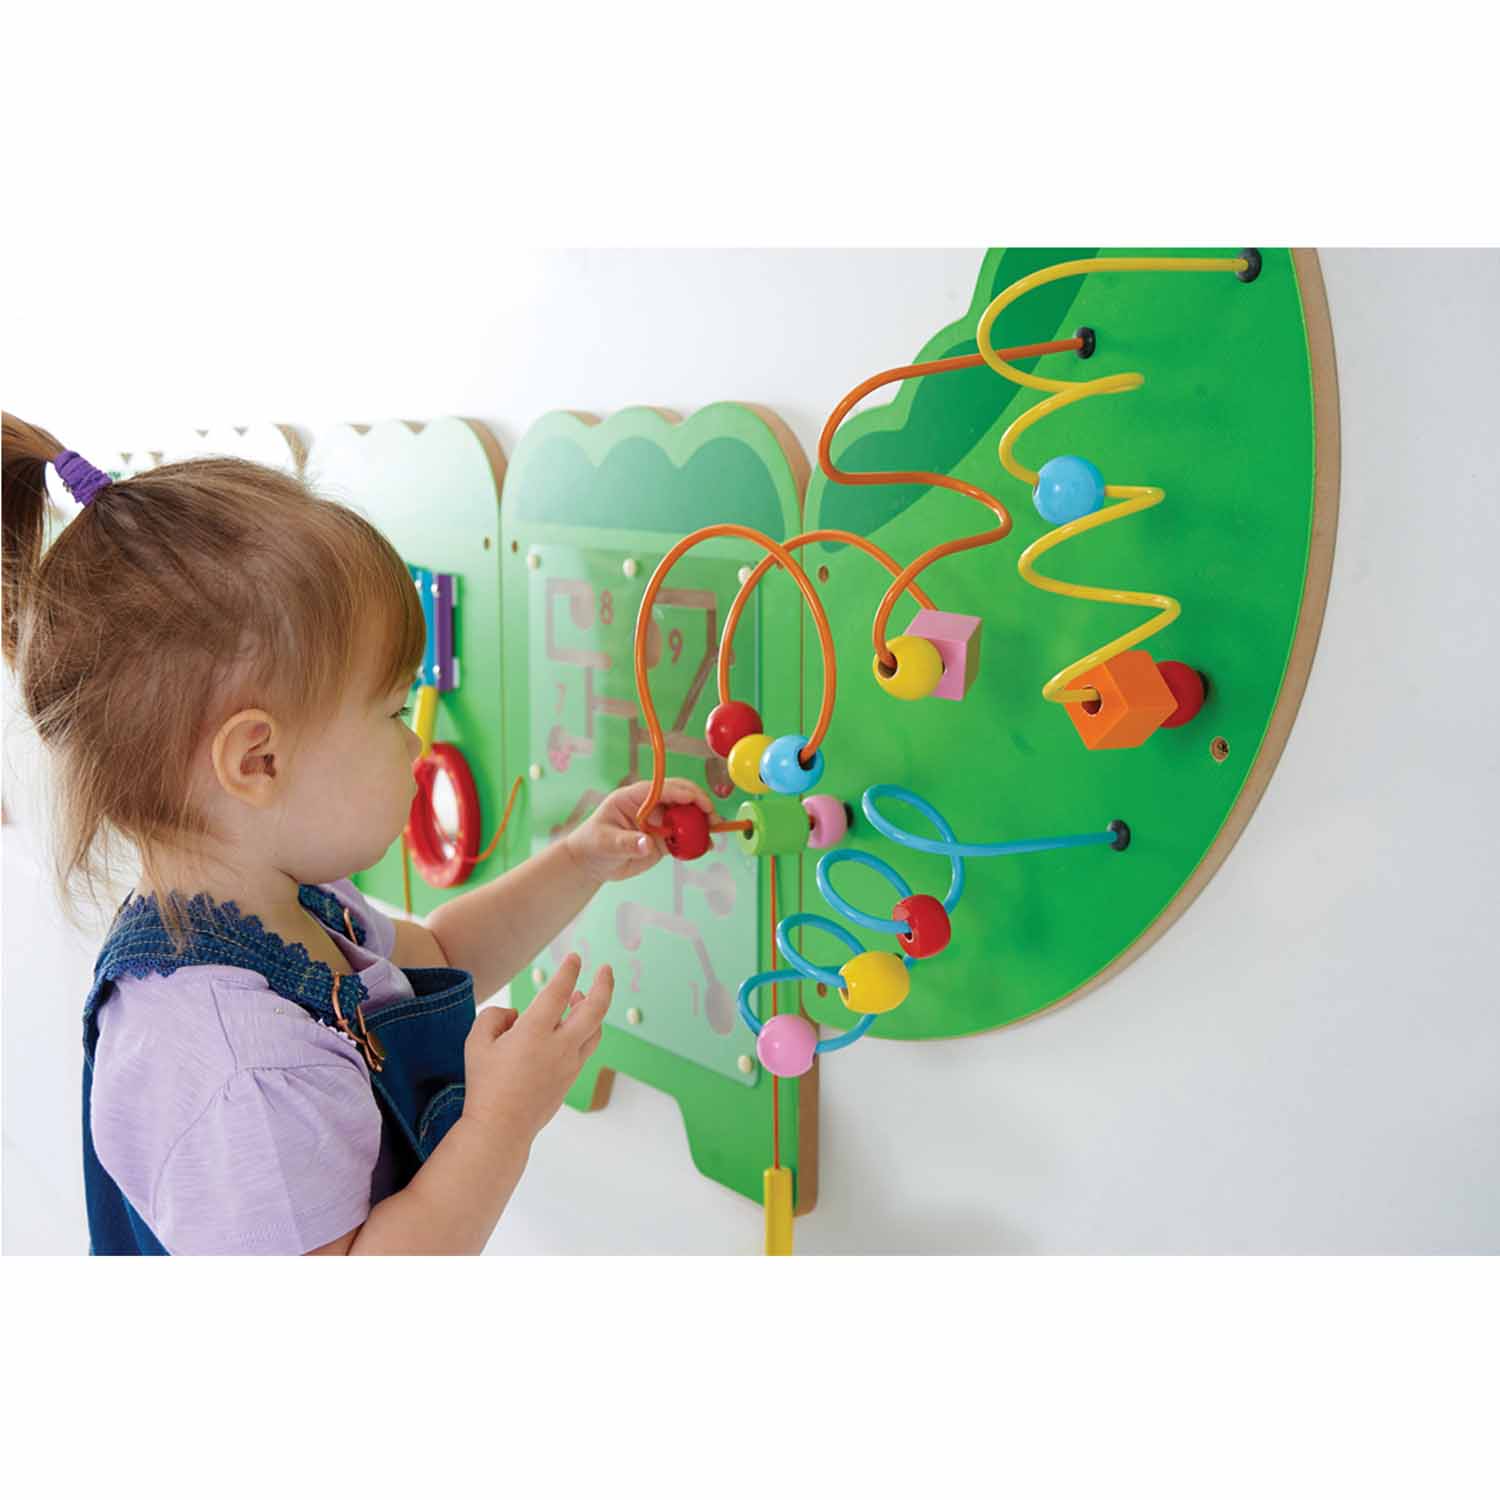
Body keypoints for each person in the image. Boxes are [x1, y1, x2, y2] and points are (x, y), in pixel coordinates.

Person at [1, 411, 712, 1254]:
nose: (415, 744)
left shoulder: (280, 908)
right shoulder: (242, 1067)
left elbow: (441, 951)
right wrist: (501, 1124)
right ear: (258, 760)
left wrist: (578, 861)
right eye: (392, 710)